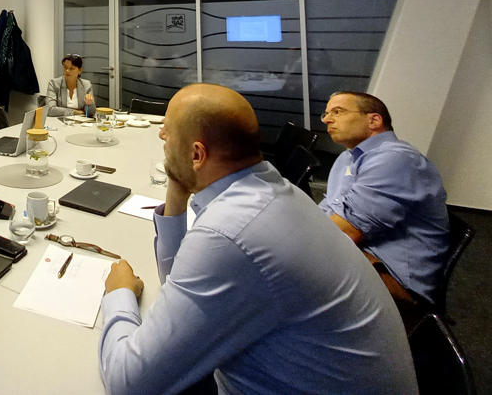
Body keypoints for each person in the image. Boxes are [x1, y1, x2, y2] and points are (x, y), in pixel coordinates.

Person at [99, 83, 416, 395]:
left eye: (168, 131)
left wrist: (119, 293)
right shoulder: (277, 190)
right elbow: (176, 279)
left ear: (197, 153)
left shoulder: (229, 234)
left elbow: (127, 384)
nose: (161, 136)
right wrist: (178, 186)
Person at [318, 91, 450, 312]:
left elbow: (347, 231)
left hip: (392, 278)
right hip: (359, 253)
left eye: (337, 112)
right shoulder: (348, 158)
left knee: (280, 274)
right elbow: (327, 211)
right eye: (326, 113)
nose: (326, 120)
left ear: (374, 120)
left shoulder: (395, 158)